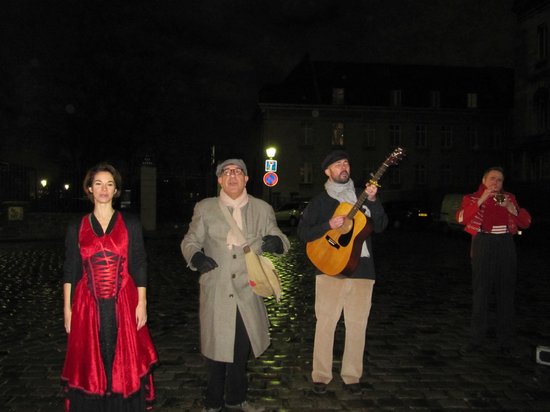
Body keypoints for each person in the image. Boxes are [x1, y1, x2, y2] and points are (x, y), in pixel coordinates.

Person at [180, 158, 290, 412]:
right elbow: (190, 240)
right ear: (219, 180)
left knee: (241, 349)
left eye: (238, 172)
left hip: (249, 289)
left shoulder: (262, 208)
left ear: (246, 178)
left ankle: (236, 399)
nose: (232, 176)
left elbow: (280, 236)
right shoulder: (205, 208)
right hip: (217, 288)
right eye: (226, 172)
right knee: (216, 350)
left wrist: (277, 243)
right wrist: (196, 257)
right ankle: (213, 401)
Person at [61, 163, 158, 411]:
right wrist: (67, 309)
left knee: (123, 359)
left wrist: (142, 302)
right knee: (92, 360)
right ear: (89, 189)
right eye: (98, 184)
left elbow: (139, 263)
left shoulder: (131, 223)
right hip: (87, 304)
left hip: (124, 301)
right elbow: (71, 269)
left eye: (109, 184)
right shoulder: (77, 226)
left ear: (116, 190)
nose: (104, 189)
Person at [297, 149, 388, 395]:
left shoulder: (363, 196)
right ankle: (321, 375)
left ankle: (351, 376)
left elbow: (381, 225)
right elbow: (303, 233)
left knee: (357, 325)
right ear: (327, 171)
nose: (343, 167)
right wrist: (328, 225)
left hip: (363, 269)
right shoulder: (320, 201)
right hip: (329, 268)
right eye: (337, 164)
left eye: (346, 163)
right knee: (326, 323)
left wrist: (374, 201)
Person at [456, 166, 531, 355]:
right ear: (484, 181)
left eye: (499, 180)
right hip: (483, 242)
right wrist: (482, 199)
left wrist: (510, 208)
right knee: (481, 293)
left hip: (505, 243)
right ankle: (476, 340)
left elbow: (525, 222)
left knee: (506, 293)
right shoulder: (472, 198)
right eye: (492, 178)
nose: (496, 183)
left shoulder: (509, 197)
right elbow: (461, 218)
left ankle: (505, 341)